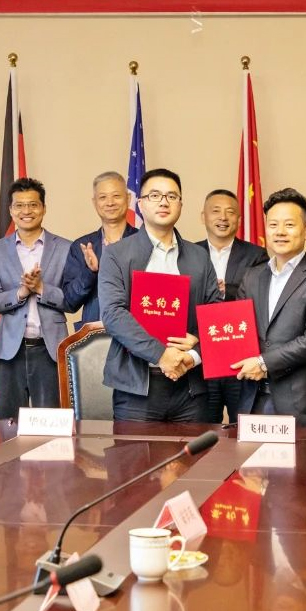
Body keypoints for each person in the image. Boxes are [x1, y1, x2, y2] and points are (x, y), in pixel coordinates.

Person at [98, 168, 222, 422]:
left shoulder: (199, 257)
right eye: (155, 195)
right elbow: (113, 314)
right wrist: (161, 355)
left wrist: (194, 351)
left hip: (191, 388)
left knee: (196, 450)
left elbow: (215, 315)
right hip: (136, 388)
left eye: (171, 196)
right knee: (135, 451)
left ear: (180, 205)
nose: (164, 202)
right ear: (140, 204)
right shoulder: (116, 254)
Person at [234, 189, 306, 427]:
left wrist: (263, 363)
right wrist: (199, 348)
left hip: (299, 406)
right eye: (273, 224)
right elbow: (236, 330)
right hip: (252, 400)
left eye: (289, 224)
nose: (280, 231)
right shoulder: (252, 277)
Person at [0, 178, 83, 417]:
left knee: (50, 423)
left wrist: (41, 289)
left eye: (33, 205)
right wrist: (21, 293)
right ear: (11, 210)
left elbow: (72, 300)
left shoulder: (65, 247)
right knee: (8, 423)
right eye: (19, 205)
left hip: (50, 350)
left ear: (44, 208)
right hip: (9, 351)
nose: (26, 211)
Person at [194, 189, 268, 423]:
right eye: (216, 211)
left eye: (230, 212)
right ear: (203, 216)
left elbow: (261, 297)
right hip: (201, 358)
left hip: (242, 358)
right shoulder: (188, 253)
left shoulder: (257, 255)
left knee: (243, 427)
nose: (223, 217)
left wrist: (226, 290)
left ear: (239, 219)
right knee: (204, 429)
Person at [64, 171, 138, 329]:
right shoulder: (82, 246)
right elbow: (69, 302)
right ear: (94, 202)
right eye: (103, 197)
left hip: (136, 334)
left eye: (116, 196)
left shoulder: (144, 242)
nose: (110, 203)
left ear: (128, 198)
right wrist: (90, 272)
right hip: (95, 336)